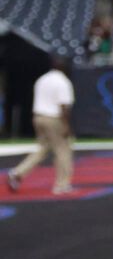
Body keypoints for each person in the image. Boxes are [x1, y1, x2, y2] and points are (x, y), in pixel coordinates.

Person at [7, 57, 76, 195]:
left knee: (43, 148)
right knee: (63, 149)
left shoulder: (42, 79)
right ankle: (62, 184)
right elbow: (63, 106)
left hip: (38, 117)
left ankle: (17, 172)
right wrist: (67, 126)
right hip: (54, 118)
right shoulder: (63, 81)